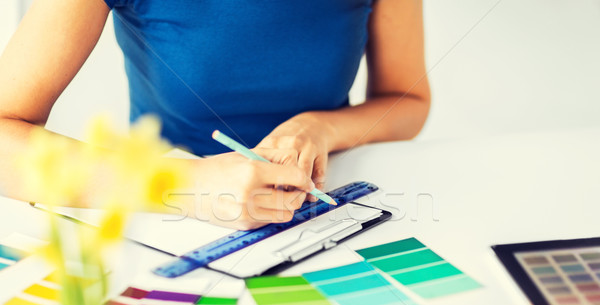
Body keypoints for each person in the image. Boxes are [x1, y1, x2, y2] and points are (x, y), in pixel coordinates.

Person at [0, 0, 430, 230]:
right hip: (161, 214)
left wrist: (320, 128)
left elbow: (408, 101)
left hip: (323, 205)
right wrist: (191, 186)